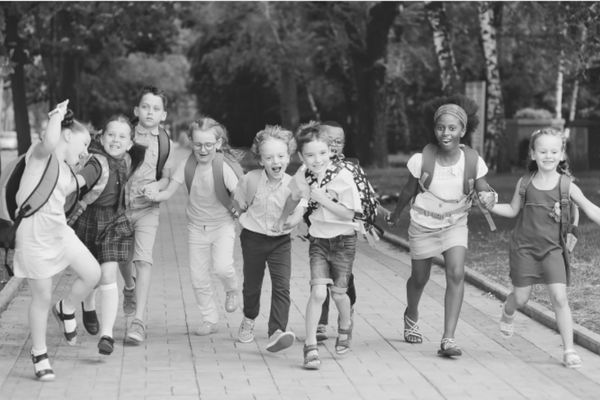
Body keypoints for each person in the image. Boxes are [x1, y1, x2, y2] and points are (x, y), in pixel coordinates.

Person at [388, 97, 496, 357]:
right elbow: (408, 190)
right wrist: (396, 214)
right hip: (423, 224)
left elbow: (483, 188)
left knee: (456, 274)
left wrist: (489, 196)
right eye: (440, 128)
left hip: (455, 224)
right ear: (434, 129)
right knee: (420, 278)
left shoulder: (472, 160)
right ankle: (411, 313)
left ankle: (448, 338)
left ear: (462, 130)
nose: (445, 133)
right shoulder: (421, 159)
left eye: (452, 128)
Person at [489, 127, 600, 369]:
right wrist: (491, 206)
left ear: (562, 155)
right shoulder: (525, 182)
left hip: (553, 250)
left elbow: (590, 209)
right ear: (533, 154)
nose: (548, 156)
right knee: (521, 298)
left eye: (553, 151)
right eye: (542, 151)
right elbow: (512, 210)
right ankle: (507, 312)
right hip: (524, 249)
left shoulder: (566, 185)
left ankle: (569, 351)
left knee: (560, 298)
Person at [12, 101, 100, 380]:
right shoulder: (39, 156)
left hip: (59, 233)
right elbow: (49, 141)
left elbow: (78, 183)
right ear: (67, 134)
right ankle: (39, 353)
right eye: (84, 143)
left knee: (92, 273)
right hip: (34, 235)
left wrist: (102, 166)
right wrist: (57, 114)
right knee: (41, 296)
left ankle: (67, 307)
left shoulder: (64, 169)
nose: (85, 151)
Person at [147, 117, 240, 336]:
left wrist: (243, 213)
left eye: (209, 144)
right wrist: (155, 195)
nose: (203, 149)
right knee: (198, 277)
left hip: (222, 225)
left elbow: (240, 195)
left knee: (222, 267)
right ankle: (209, 319)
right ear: (190, 142)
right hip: (196, 228)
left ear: (218, 144)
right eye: (198, 144)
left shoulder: (223, 167)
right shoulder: (187, 165)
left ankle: (232, 288)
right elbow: (170, 191)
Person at [70, 115, 144, 355]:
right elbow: (78, 182)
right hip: (90, 220)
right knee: (91, 273)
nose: (116, 140)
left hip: (115, 221)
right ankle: (88, 304)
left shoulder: (128, 159)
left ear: (130, 143)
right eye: (111, 135)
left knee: (108, 274)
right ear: (101, 138)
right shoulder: (97, 163)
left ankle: (107, 334)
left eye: (122, 136)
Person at [290, 122, 362, 370]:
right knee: (318, 292)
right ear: (301, 156)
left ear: (330, 151)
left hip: (343, 241)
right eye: (309, 155)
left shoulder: (343, 176)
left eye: (322, 153)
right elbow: (301, 197)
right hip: (319, 241)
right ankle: (310, 347)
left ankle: (345, 323)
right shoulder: (303, 174)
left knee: (339, 294)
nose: (316, 159)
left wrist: (322, 200)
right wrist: (297, 216)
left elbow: (349, 213)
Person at [234, 125, 304, 352]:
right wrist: (239, 214)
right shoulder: (250, 180)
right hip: (253, 239)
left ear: (289, 156)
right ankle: (249, 318)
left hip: (280, 242)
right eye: (269, 157)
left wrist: (289, 223)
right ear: (260, 160)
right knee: (252, 285)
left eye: (281, 156)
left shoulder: (294, 184)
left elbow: (298, 213)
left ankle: (277, 331)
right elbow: (239, 204)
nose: (276, 161)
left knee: (282, 286)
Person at [119, 86, 174, 344]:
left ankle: (138, 321)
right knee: (122, 259)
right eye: (145, 107)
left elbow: (167, 178)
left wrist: (158, 187)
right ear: (136, 110)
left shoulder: (165, 143)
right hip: (119, 208)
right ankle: (128, 288)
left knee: (143, 260)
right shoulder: (123, 134)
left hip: (147, 210)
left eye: (156, 108)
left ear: (163, 115)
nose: (150, 112)